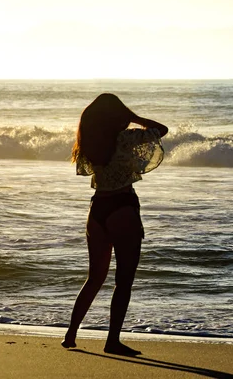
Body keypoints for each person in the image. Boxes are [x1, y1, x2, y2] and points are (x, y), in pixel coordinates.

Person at [61, 93, 168, 356]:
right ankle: (112, 341)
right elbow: (161, 130)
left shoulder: (87, 145)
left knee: (94, 278)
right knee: (123, 281)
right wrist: (132, 117)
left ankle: (71, 334)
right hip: (122, 207)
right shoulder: (124, 138)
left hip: (97, 210)